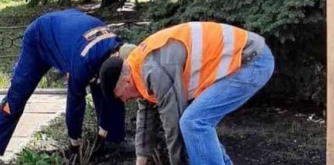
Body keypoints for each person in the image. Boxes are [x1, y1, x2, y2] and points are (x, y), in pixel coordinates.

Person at [98, 21, 274, 165]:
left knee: (193, 123)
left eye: (121, 96)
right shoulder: (136, 70)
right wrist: (140, 161)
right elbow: (145, 119)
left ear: (126, 81)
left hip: (252, 61)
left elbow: (173, 124)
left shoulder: (155, 70)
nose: (125, 100)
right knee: (196, 124)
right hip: (244, 61)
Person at [0, 9, 131, 165]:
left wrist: (104, 135)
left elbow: (112, 94)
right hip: (39, 38)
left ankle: (114, 140)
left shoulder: (118, 50)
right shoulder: (83, 63)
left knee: (107, 89)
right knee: (17, 95)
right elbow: (75, 103)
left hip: (66, 35)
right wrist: (75, 145)